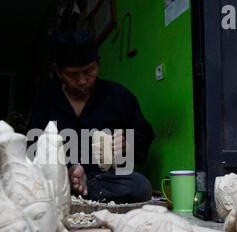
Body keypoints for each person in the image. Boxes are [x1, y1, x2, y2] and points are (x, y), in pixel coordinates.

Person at [28, 31, 155, 204]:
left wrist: (127, 143)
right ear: (58, 71)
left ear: (98, 64)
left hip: (104, 179)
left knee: (140, 187)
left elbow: (145, 134)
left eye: (89, 71)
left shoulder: (118, 96)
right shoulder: (45, 101)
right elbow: (33, 149)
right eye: (73, 74)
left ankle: (78, 197)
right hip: (60, 179)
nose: (82, 81)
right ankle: (73, 192)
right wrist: (68, 170)